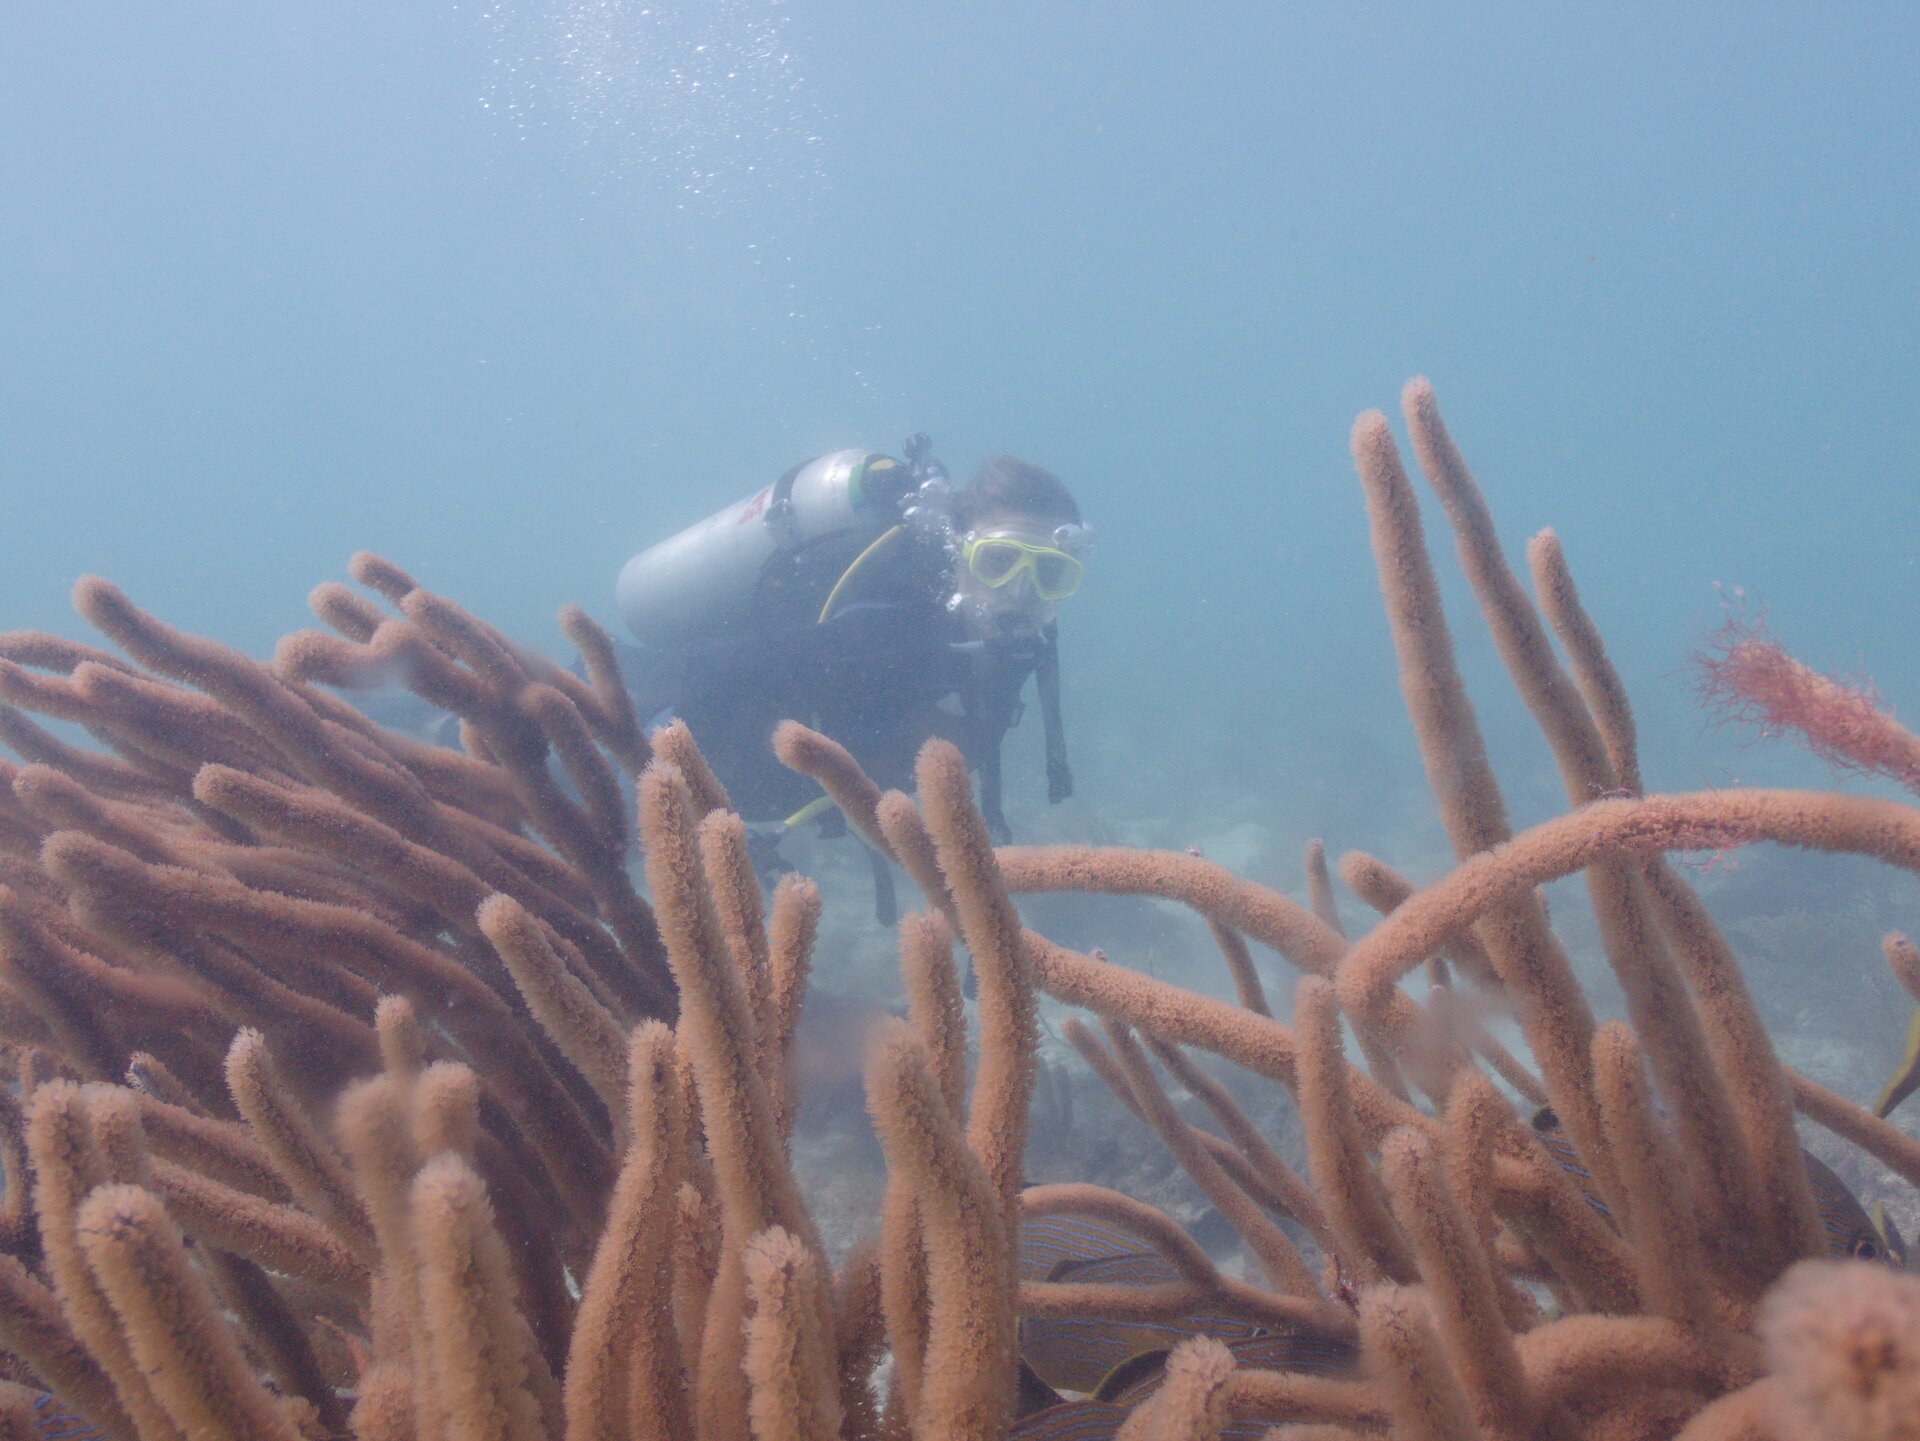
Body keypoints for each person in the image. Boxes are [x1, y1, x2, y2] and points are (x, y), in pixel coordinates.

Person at [613, 436, 1088, 912]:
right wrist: (617, 718)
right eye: (999, 562)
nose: (1020, 592)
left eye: (1051, 574)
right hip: (666, 762)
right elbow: (693, 669)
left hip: (746, 793)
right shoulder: (882, 629)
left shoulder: (1008, 651)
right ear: (958, 551)